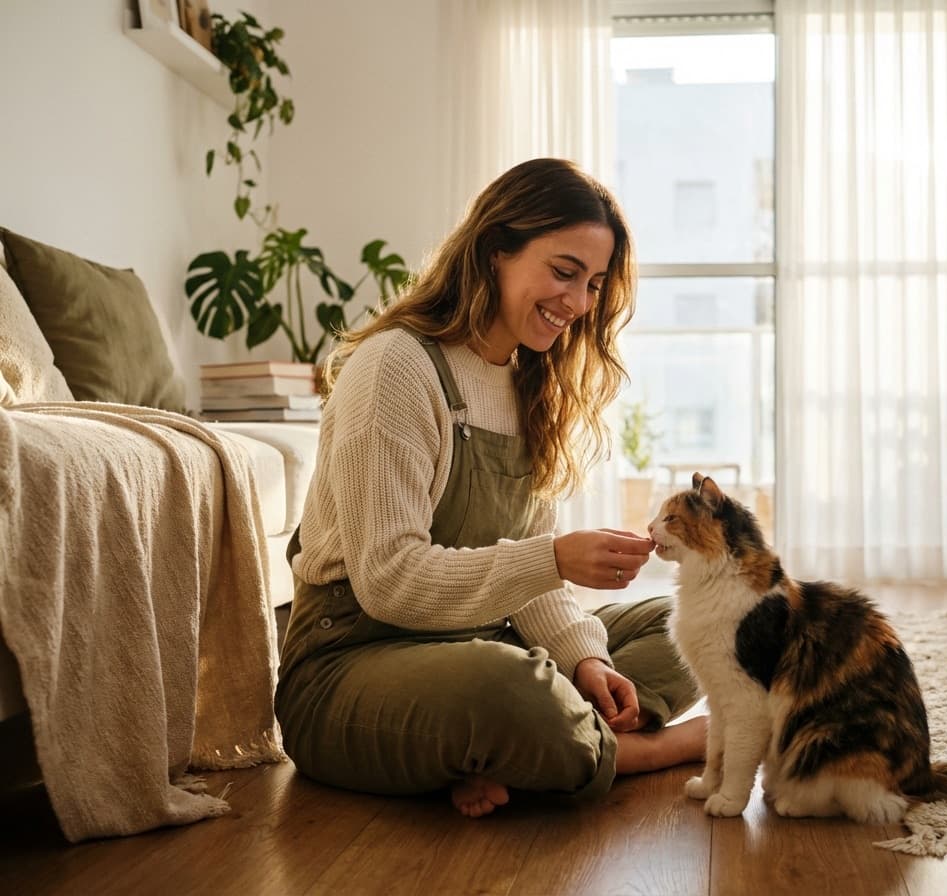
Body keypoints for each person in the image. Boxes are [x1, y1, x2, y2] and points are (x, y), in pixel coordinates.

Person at [275, 157, 706, 818]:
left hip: (479, 645)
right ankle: (645, 752)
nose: (580, 303)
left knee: (682, 627)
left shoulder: (530, 382)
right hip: (349, 664)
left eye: (592, 284)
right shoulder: (396, 366)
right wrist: (554, 559)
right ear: (495, 249)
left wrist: (587, 662)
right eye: (564, 272)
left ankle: (511, 750)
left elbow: (531, 589)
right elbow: (388, 581)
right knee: (508, 690)